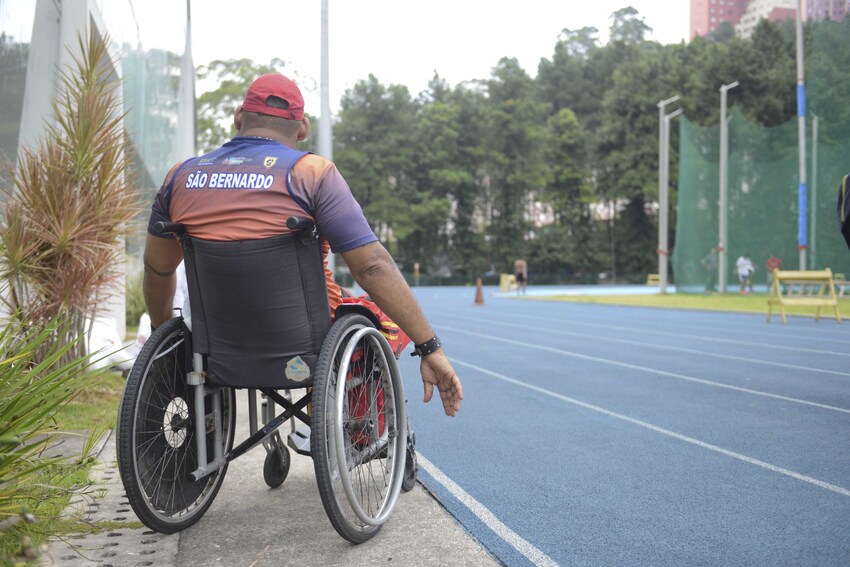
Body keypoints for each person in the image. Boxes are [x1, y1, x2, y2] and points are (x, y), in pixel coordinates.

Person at [142, 73, 462, 416]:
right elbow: (371, 266)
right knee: (380, 317)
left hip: (215, 347)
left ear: (238, 116)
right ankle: (355, 431)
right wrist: (429, 347)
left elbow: (158, 268)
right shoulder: (312, 173)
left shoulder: (181, 177)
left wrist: (165, 341)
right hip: (306, 347)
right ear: (303, 128)